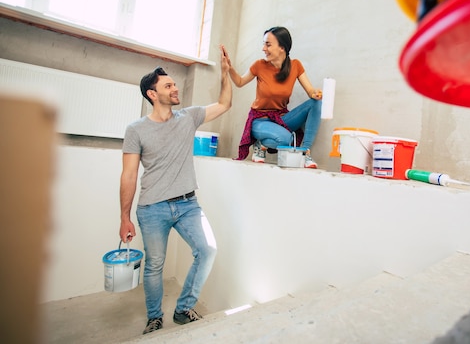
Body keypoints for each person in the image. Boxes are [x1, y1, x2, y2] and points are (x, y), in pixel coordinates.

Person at [118, 45, 232, 335]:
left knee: (207, 250)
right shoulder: (136, 130)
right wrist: (125, 217)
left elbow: (224, 104)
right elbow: (129, 175)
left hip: (187, 205)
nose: (175, 87)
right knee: (155, 265)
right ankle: (154, 318)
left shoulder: (189, 117)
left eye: (174, 83)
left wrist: (225, 75)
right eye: (168, 85)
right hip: (152, 208)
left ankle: (183, 310)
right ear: (153, 95)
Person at [223, 26, 322, 168]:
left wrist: (316, 93)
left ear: (282, 47)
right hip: (259, 120)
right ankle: (260, 144)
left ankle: (305, 152)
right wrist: (230, 67)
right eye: (264, 44)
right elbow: (239, 82)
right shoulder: (259, 65)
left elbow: (311, 92)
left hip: (281, 119)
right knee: (287, 140)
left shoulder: (295, 65)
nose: (263, 48)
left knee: (316, 103)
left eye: (268, 44)